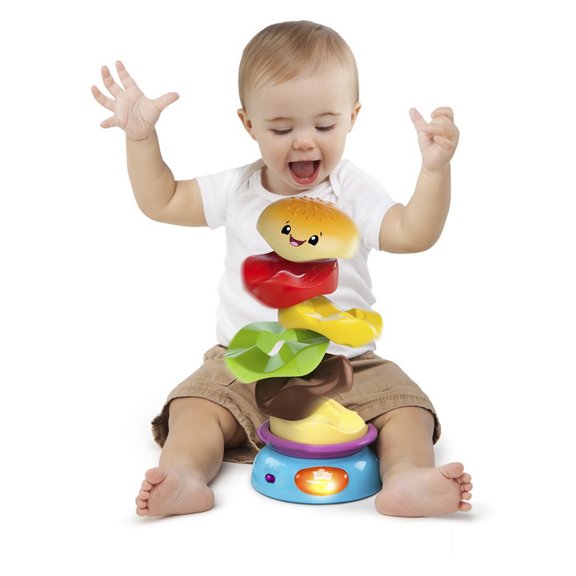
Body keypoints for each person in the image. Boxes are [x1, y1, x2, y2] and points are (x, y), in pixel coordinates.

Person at [92, 20, 472, 518]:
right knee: (195, 405)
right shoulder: (238, 188)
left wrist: (435, 171)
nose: (304, 142)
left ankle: (407, 478)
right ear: (249, 124)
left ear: (353, 117)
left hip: (348, 364)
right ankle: (183, 476)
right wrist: (141, 139)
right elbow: (161, 200)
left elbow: (412, 233)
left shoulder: (352, 191)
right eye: (281, 128)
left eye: (325, 125)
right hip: (245, 361)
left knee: (407, 409)